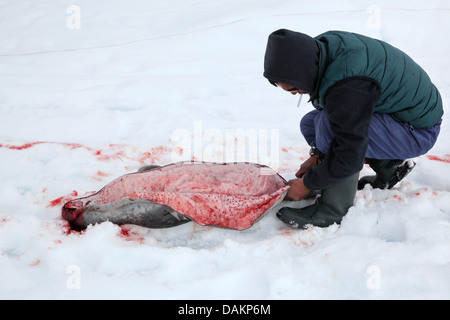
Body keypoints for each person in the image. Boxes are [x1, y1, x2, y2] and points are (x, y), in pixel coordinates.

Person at [263, 29, 443, 229]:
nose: (294, 93)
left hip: (415, 131)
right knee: (311, 123)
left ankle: (333, 209)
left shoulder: (347, 83)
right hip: (398, 117)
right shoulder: (321, 53)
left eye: (293, 88)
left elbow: (349, 147)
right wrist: (317, 159)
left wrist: (308, 184)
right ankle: (391, 167)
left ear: (301, 72)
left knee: (330, 128)